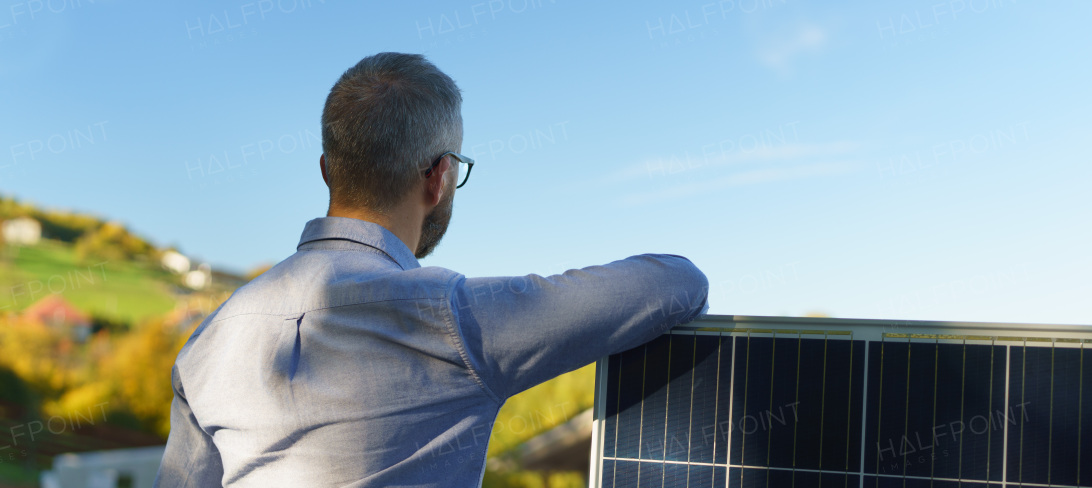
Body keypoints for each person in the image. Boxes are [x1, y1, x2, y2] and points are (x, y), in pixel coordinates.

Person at [153, 52, 710, 487]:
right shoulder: (453, 321)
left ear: (327, 170)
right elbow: (676, 283)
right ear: (439, 176)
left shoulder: (208, 342)